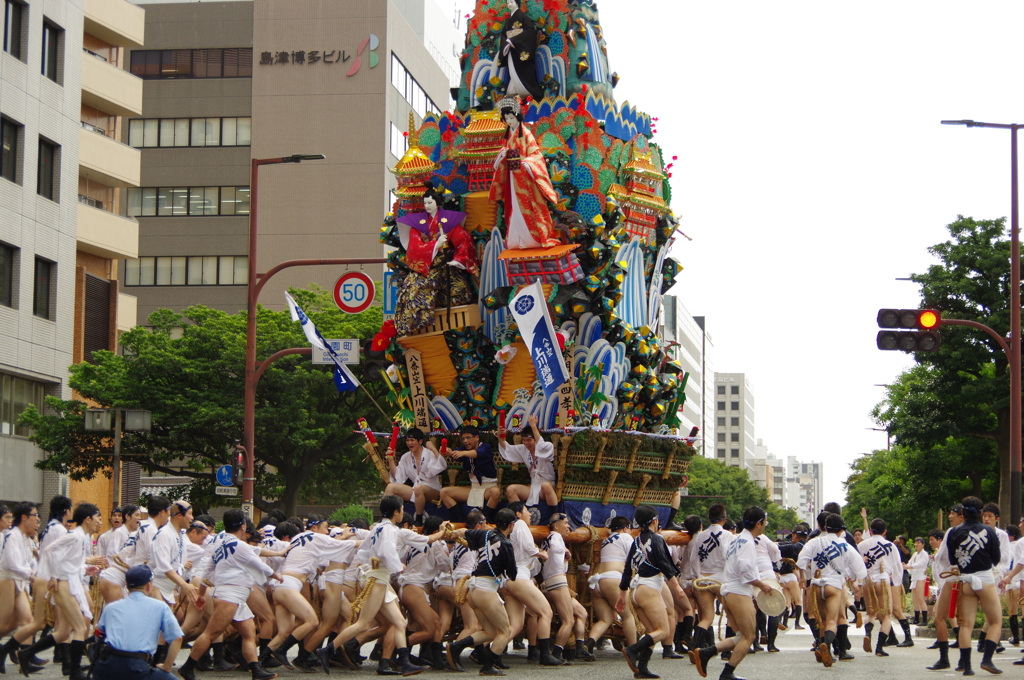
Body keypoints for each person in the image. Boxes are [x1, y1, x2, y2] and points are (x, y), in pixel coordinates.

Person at [315, 495, 447, 676]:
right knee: (363, 623)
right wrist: (396, 567)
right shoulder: (390, 530)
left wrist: (441, 532)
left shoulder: (380, 528)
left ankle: (405, 661)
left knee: (400, 622)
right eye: (401, 509)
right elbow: (386, 551)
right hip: (378, 579)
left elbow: (364, 550)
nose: (403, 512)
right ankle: (328, 650)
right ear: (396, 511)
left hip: (378, 577)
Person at [178, 510, 282, 680]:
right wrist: (277, 575)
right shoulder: (240, 545)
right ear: (243, 526)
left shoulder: (219, 544)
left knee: (248, 633)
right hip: (229, 595)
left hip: (235, 595)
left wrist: (202, 595)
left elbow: (208, 572)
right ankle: (187, 667)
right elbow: (258, 564)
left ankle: (256, 671)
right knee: (211, 633)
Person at [18, 503, 107, 679]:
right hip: (65, 585)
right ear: (88, 519)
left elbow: (69, 563)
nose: (101, 522)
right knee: (81, 627)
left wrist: (85, 569)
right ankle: (74, 672)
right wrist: (51, 576)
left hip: (71, 582)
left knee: (64, 632)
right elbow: (50, 550)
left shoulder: (82, 537)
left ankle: (25, 653)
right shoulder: (75, 535)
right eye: (98, 518)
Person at [691, 507, 775, 680]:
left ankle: (707, 653)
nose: (765, 525)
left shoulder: (737, 539)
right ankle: (727, 673)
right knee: (749, 636)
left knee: (741, 636)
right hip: (739, 592)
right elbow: (746, 570)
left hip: (729, 590)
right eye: (765, 522)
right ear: (758, 523)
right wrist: (762, 585)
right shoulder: (747, 542)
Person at [393, 182, 479, 336]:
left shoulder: (448, 222)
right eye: (425, 203)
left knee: (459, 294)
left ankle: (456, 330)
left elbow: (464, 240)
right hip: (426, 269)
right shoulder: (417, 224)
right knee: (414, 293)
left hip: (446, 266)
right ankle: (418, 330)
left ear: (437, 203)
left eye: (430, 202)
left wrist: (458, 259)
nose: (427, 206)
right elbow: (414, 248)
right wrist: (435, 244)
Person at [445, 509, 520, 676]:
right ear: (511, 525)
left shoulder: (484, 535)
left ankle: (456, 646)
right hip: (485, 590)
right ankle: (487, 666)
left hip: (473, 589)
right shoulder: (506, 545)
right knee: (505, 631)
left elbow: (464, 531)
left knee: (491, 632)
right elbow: (513, 575)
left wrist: (454, 533)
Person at [620, 505, 686, 680]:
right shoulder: (657, 539)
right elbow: (665, 564)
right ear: (654, 521)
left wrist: (622, 595)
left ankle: (642, 668)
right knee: (663, 631)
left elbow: (627, 569)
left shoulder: (635, 541)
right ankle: (631, 650)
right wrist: (677, 586)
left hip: (636, 592)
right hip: (649, 589)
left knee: (651, 631)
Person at [489, 96, 561, 249]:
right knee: (514, 206)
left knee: (528, 207)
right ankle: (516, 238)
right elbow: (505, 150)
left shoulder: (526, 134)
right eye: (506, 118)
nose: (509, 121)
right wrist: (502, 155)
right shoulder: (508, 135)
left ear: (518, 116)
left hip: (525, 177)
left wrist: (528, 164)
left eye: (511, 117)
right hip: (512, 176)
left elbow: (536, 154)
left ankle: (533, 238)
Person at [941, 497, 1002, 675]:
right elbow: (996, 558)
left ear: (962, 513)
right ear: (981, 513)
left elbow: (953, 560)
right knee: (996, 622)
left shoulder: (953, 532)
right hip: (985, 579)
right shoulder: (988, 531)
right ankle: (987, 660)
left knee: (966, 625)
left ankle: (967, 666)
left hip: (965, 580)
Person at [796, 513, 866, 668]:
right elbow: (861, 571)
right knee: (832, 621)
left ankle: (822, 647)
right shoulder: (845, 545)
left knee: (821, 622)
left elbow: (801, 560)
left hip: (816, 585)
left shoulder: (814, 542)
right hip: (833, 585)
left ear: (825, 527)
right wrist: (854, 580)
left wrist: (802, 577)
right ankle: (826, 646)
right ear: (842, 530)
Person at [92, 565, 183, 680]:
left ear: (126, 586)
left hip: (107, 665)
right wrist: (167, 666)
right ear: (149, 586)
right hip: (136, 667)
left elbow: (99, 633)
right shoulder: (160, 607)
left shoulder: (111, 607)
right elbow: (177, 638)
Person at [504, 501, 561, 666]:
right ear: (518, 514)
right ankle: (544, 655)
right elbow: (528, 546)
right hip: (520, 577)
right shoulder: (520, 524)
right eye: (526, 511)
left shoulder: (512, 530)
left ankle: (486, 651)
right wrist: (540, 554)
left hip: (513, 579)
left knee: (515, 625)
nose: (530, 514)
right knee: (546, 612)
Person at [540, 513, 592, 663]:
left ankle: (580, 648)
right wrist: (565, 552)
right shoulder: (555, 537)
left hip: (555, 581)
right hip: (557, 581)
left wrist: (565, 551)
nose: (568, 526)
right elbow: (556, 555)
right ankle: (556, 654)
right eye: (566, 523)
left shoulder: (552, 539)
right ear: (556, 525)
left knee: (581, 613)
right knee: (568, 620)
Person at [586, 516, 637, 654]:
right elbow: (636, 559)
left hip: (596, 582)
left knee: (605, 619)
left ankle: (588, 645)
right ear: (626, 528)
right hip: (612, 579)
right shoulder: (625, 537)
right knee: (628, 616)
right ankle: (633, 650)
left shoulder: (605, 540)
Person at [0, 502, 41, 674]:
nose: (37, 519)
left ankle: (23, 656)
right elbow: (11, 563)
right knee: (3, 625)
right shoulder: (12, 535)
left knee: (26, 622)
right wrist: (31, 575)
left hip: (20, 581)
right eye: (35, 515)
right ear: (24, 517)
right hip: (7, 579)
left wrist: (33, 574)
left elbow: (28, 563)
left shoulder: (25, 538)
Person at [926, 506, 963, 671]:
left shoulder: (952, 531)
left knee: (939, 617)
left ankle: (945, 658)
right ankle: (966, 661)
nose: (950, 516)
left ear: (962, 516)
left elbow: (942, 558)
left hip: (954, 578)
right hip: (979, 578)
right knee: (967, 621)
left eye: (953, 514)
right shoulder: (984, 531)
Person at [385, 428, 448, 526]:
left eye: (412, 440)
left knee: (419, 488)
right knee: (390, 487)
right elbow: (398, 477)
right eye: (407, 440)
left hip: (432, 490)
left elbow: (442, 466)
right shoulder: (406, 457)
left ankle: (418, 518)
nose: (409, 443)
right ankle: (386, 518)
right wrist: (391, 459)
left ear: (420, 441)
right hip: (416, 489)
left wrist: (434, 449)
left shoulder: (429, 453)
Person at [691, 503, 732, 653]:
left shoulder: (700, 536)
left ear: (709, 518)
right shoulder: (727, 535)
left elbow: (693, 559)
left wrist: (698, 576)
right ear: (724, 518)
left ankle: (694, 648)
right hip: (720, 579)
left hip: (703, 579)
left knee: (706, 618)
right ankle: (727, 652)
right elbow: (727, 556)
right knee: (730, 614)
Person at [858, 518, 902, 657]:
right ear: (885, 531)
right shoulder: (890, 545)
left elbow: (856, 563)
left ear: (870, 531)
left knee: (871, 613)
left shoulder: (862, 545)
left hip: (868, 579)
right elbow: (897, 566)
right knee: (887, 615)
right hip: (883, 579)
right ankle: (879, 647)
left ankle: (868, 635)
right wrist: (897, 582)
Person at [440, 426, 501, 520]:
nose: (465, 441)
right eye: (463, 438)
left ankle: (486, 519)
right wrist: (449, 452)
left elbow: (476, 453)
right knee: (444, 492)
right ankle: (459, 520)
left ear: (477, 437)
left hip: (488, 488)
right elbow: (455, 453)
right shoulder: (464, 450)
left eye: (468, 437)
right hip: (474, 487)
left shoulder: (485, 447)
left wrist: (463, 453)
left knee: (495, 492)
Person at [498, 414, 557, 508]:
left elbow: (541, 446)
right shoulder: (523, 449)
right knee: (511, 489)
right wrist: (500, 436)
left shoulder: (548, 446)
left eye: (529, 440)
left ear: (535, 439)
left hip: (546, 487)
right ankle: (520, 514)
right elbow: (507, 448)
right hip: (533, 486)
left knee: (546, 486)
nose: (526, 443)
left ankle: (555, 516)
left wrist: (533, 426)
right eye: (524, 440)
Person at [495, 0, 543, 101]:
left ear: (517, 3)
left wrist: (513, 40)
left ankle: (532, 94)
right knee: (512, 72)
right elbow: (504, 35)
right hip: (511, 51)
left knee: (524, 72)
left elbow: (530, 32)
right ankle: (513, 92)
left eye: (512, 1)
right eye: (508, 2)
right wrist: (507, 43)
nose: (509, 4)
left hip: (520, 50)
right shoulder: (508, 21)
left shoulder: (523, 17)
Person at [908, 536, 930, 628]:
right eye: (915, 543)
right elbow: (910, 563)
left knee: (920, 598)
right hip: (914, 577)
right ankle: (916, 618)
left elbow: (921, 564)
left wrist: (910, 567)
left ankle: (925, 619)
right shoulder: (915, 554)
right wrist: (907, 566)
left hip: (920, 577)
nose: (916, 544)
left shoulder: (924, 554)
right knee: (914, 599)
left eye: (919, 543)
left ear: (923, 544)